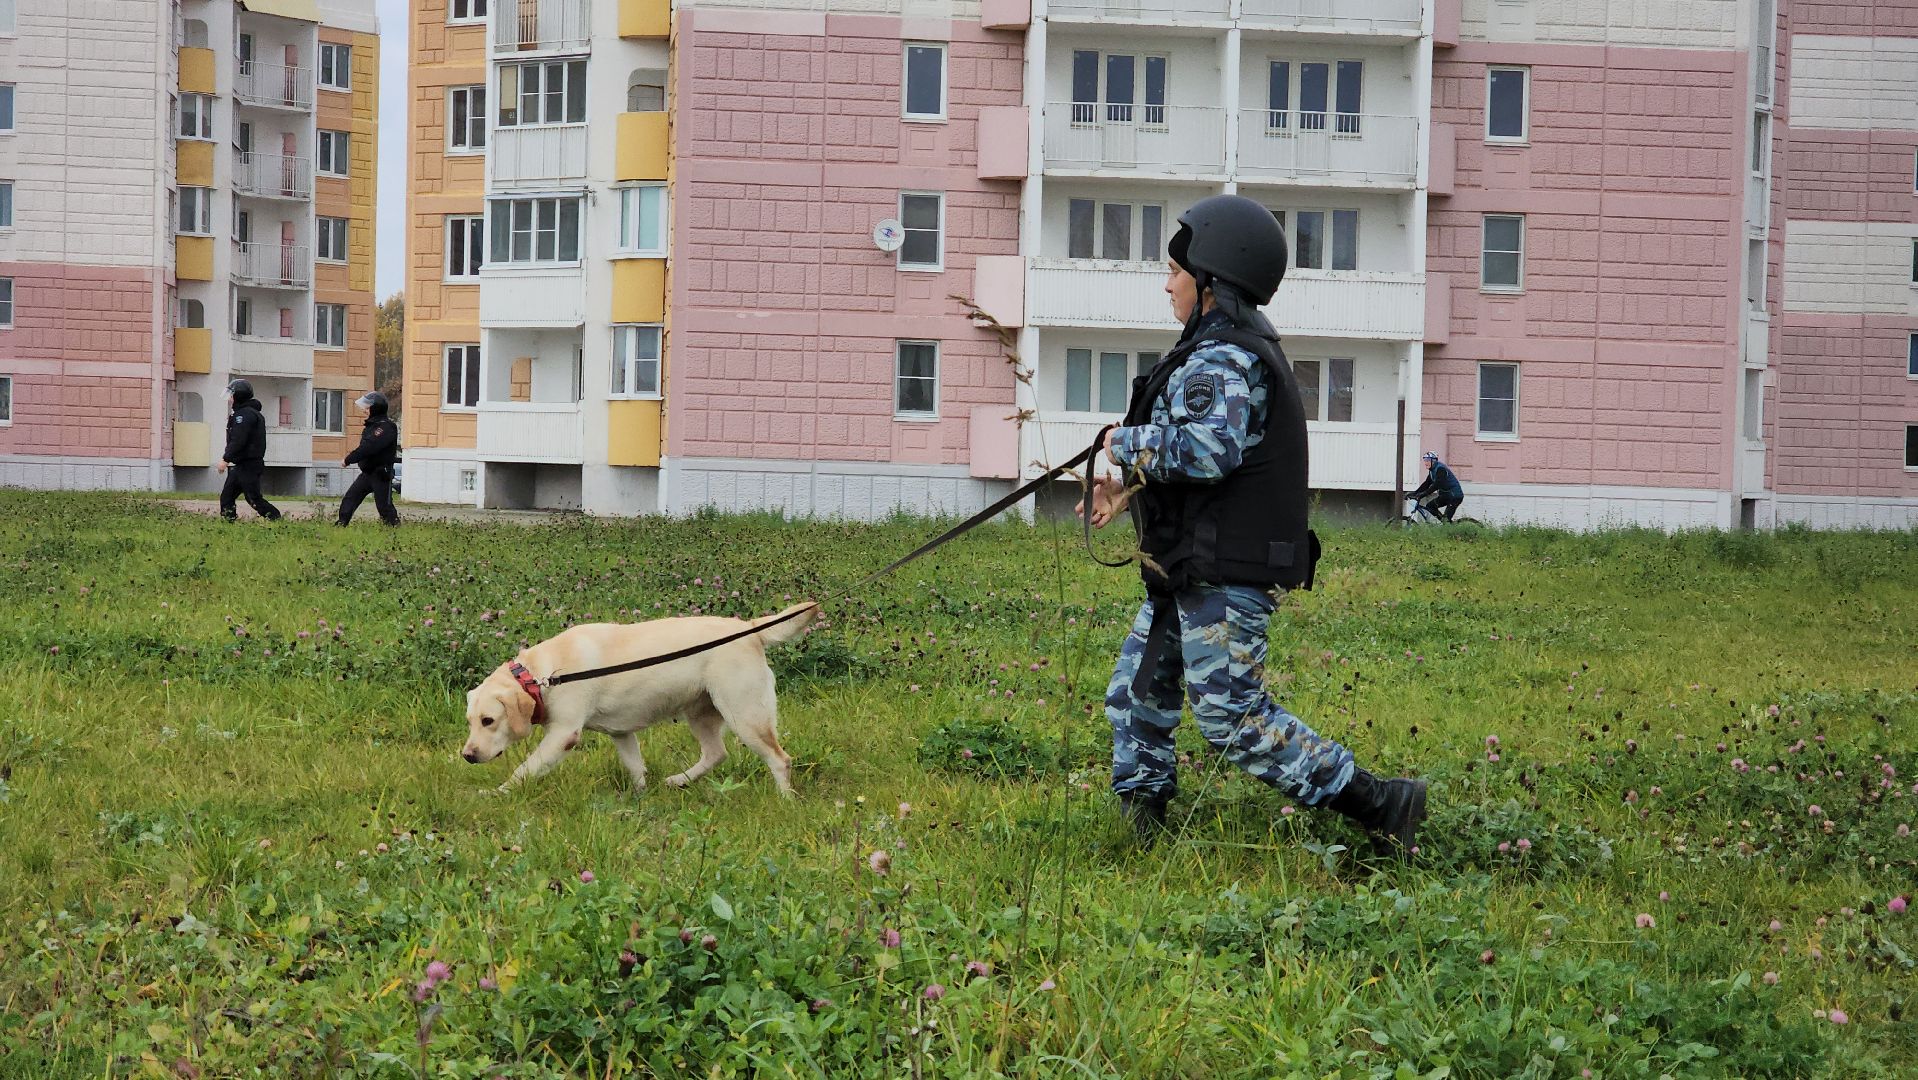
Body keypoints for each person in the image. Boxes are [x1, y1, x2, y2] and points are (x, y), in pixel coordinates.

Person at [1077, 194, 1427, 851]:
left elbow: (1208, 452)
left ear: (1212, 280)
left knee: (1232, 719)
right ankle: (1143, 835)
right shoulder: (1217, 350)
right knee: (1135, 698)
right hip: (1189, 568)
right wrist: (1123, 480)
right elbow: (1192, 456)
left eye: (1177, 271)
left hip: (1221, 574)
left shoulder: (1223, 360)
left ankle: (1383, 803)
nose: (1168, 283)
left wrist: (1119, 444)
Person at [217, 378, 282, 521]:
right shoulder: (244, 413)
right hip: (242, 465)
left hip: (249, 465)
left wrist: (226, 459)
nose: (230, 399)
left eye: (232, 395)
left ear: (238, 396)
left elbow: (239, 440)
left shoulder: (244, 415)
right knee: (227, 496)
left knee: (254, 499)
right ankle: (229, 523)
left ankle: (276, 518)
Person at [337, 391, 401, 527]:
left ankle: (394, 528)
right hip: (367, 472)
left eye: (367, 408)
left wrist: (348, 459)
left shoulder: (386, 427)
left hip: (381, 473)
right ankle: (341, 523)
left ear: (375, 408)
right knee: (350, 498)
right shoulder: (372, 426)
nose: (364, 411)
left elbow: (369, 447)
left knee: (384, 506)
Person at [1409, 451, 1464, 522]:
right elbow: (1427, 484)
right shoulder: (1432, 470)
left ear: (1434, 461)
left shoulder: (1441, 469)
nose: (1426, 462)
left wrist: (1423, 494)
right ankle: (1445, 523)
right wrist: (1415, 493)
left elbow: (1436, 485)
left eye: (1428, 460)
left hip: (1454, 496)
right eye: (1425, 460)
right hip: (1445, 495)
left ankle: (1448, 525)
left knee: (1446, 519)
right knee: (1430, 506)